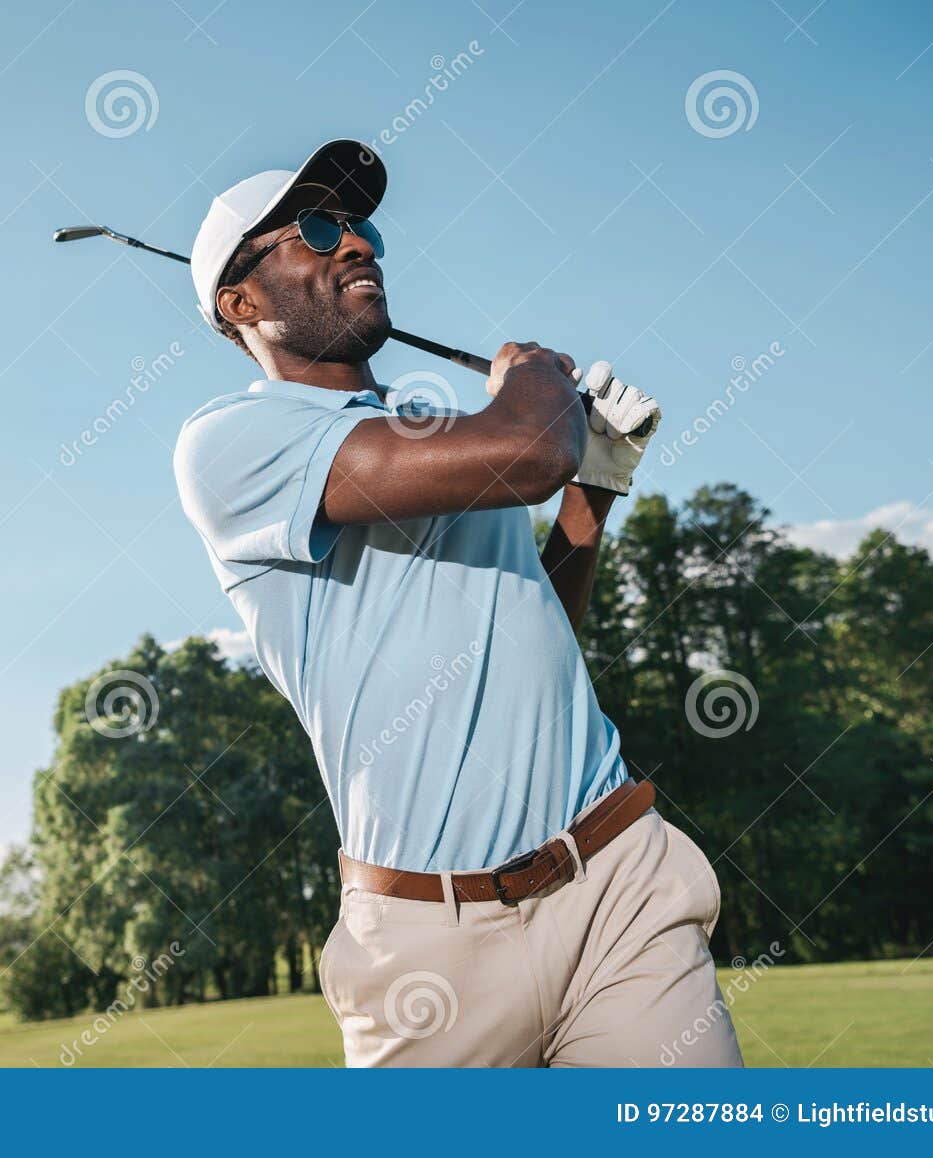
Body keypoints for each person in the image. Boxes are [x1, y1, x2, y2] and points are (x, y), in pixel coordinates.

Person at [173, 139, 742, 1068]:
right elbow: (526, 451)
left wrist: (590, 492)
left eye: (362, 227)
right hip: (427, 945)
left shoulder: (440, 435)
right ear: (240, 304)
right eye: (317, 230)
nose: (356, 244)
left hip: (616, 884)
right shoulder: (232, 442)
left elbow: (534, 627)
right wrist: (536, 377)